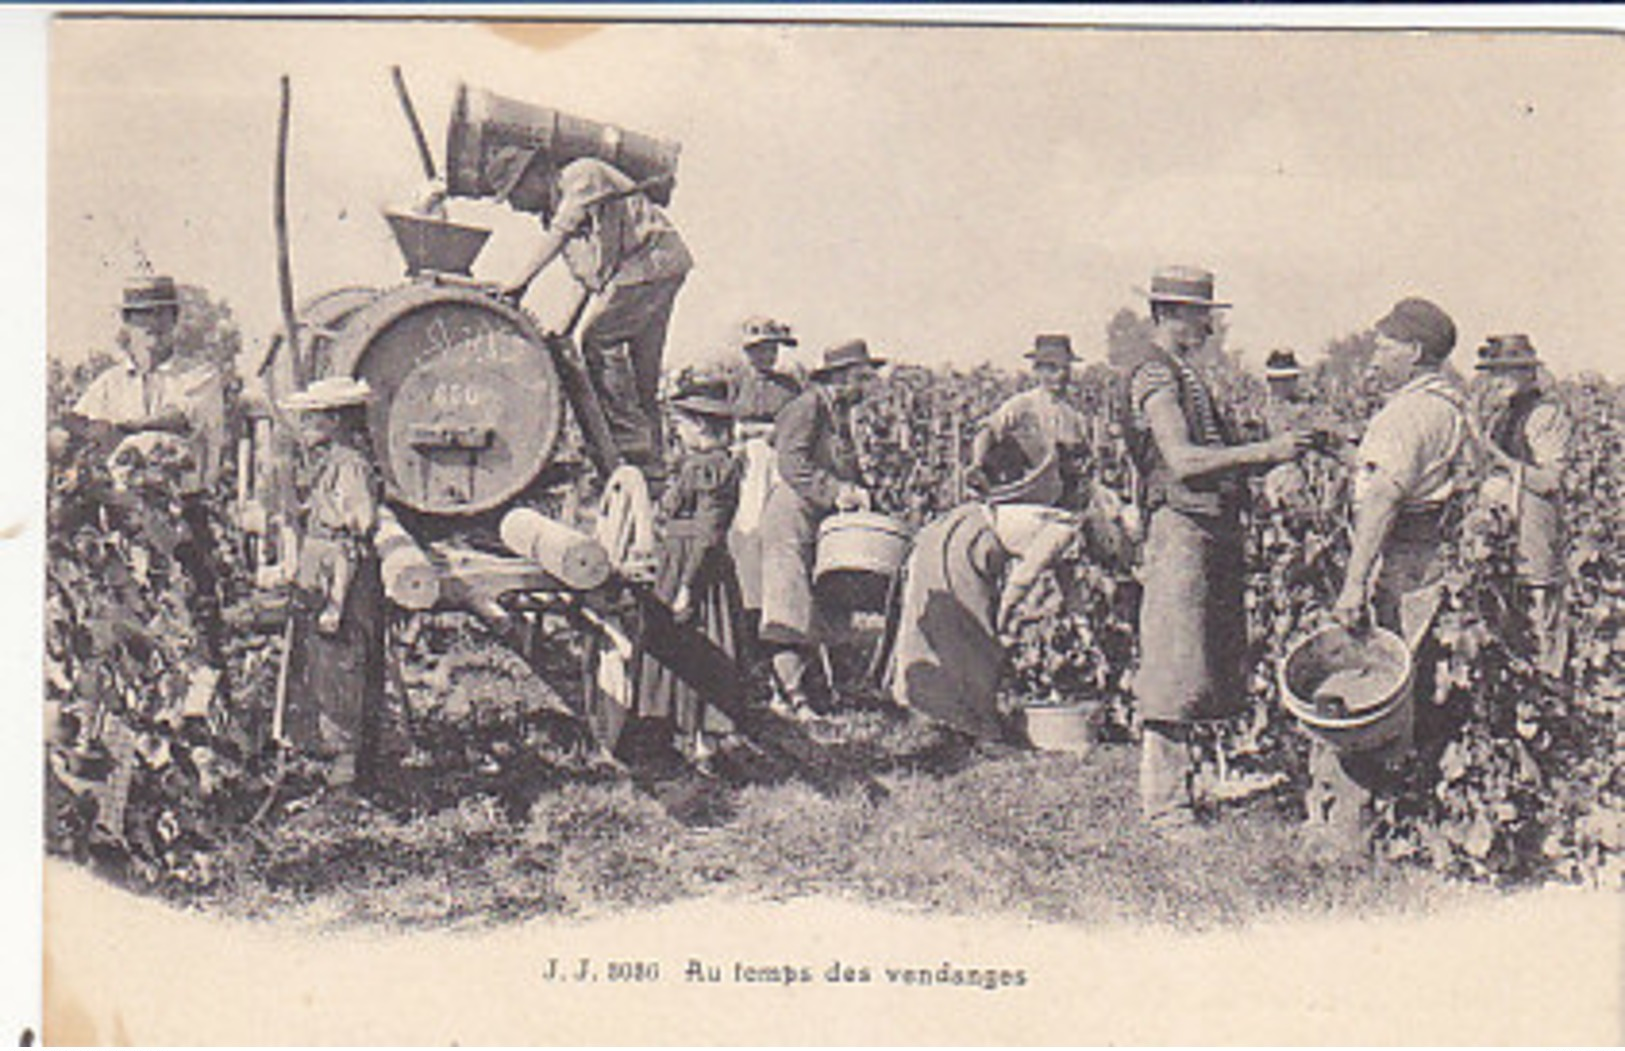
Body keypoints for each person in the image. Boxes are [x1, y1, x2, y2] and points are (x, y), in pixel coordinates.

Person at [1122, 266, 1312, 833]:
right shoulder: (1155, 377)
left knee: (1207, 658)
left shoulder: (1185, 375)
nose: (1208, 325)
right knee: (1174, 664)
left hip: (1208, 525)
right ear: (1172, 314)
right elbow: (1181, 459)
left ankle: (1199, 780)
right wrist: (1267, 452)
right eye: (1201, 315)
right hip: (1179, 525)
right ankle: (1166, 807)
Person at [1313, 297, 1482, 845]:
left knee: (1370, 689)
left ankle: (1350, 829)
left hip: (1398, 564)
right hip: (1432, 562)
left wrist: (1354, 584)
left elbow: (1384, 498)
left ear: (1413, 352)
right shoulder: (1447, 406)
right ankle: (1406, 813)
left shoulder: (1405, 414)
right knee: (1417, 684)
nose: (1376, 354)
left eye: (1386, 345)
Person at [475, 145, 693, 470]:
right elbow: (589, 277)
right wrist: (561, 332)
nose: (515, 205)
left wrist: (518, 282)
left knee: (598, 340)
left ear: (536, 175)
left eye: (514, 193)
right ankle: (653, 471)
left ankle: (632, 447)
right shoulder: (557, 210)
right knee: (641, 379)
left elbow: (560, 233)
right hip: (650, 272)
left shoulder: (582, 174)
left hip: (651, 263)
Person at [65, 270, 229, 684]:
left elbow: (181, 418)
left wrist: (124, 428)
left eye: (160, 314)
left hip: (183, 511)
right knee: (125, 616)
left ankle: (212, 718)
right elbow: (79, 428)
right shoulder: (108, 383)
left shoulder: (198, 375)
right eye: (141, 316)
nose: (152, 325)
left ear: (174, 319)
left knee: (196, 611)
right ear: (127, 325)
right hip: (123, 516)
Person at [758, 339, 883, 719]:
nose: (867, 386)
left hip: (822, 520)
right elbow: (791, 463)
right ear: (841, 377)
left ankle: (826, 691)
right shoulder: (806, 407)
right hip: (791, 515)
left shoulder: (839, 414)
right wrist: (836, 491)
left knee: (827, 601)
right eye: (862, 378)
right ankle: (789, 697)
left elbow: (847, 468)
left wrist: (865, 496)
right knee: (789, 602)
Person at [280, 376, 386, 789]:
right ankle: (338, 758)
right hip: (324, 565)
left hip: (341, 571)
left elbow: (356, 530)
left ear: (337, 419)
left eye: (314, 415)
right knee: (327, 663)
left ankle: (348, 769)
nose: (306, 423)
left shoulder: (350, 465)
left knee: (343, 661)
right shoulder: (333, 461)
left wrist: (336, 600)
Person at [635, 377, 745, 767]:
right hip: (680, 560)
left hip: (696, 569)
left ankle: (702, 742)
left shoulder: (712, 468)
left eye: (680, 425)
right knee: (685, 648)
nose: (677, 433)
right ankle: (687, 735)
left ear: (701, 426)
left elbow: (708, 535)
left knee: (696, 649)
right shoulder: (700, 465)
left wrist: (686, 586)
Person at [1474, 333, 1573, 678]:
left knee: (1541, 610)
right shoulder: (1503, 416)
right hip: (1506, 529)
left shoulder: (1544, 416)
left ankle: (1553, 695)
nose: (1498, 381)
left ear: (1529, 374)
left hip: (1534, 529)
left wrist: (1500, 459)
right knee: (1510, 614)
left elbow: (1549, 482)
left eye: (1508, 372)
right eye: (1494, 372)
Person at [726, 316, 804, 628]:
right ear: (747, 353)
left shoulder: (789, 386)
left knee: (772, 519)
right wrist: (744, 434)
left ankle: (772, 595)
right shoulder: (736, 384)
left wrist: (775, 433)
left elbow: (796, 422)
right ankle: (745, 596)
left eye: (771, 349)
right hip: (744, 459)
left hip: (775, 459)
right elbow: (727, 421)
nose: (766, 356)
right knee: (744, 522)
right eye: (759, 350)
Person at [970, 334, 1092, 508]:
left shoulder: (1074, 417)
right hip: (1024, 498)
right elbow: (988, 429)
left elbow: (1084, 460)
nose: (1060, 375)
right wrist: (977, 463)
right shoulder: (1022, 405)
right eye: (1051, 368)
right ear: (1038, 371)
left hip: (1064, 502)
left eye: (1064, 368)